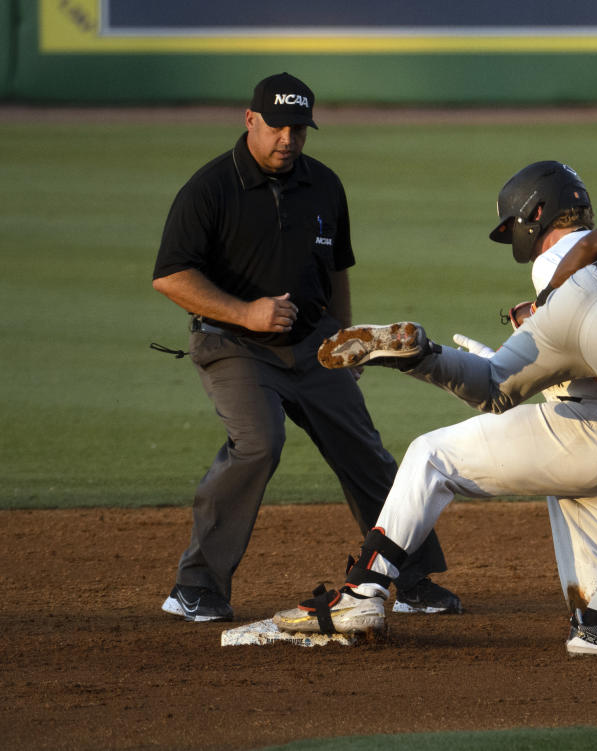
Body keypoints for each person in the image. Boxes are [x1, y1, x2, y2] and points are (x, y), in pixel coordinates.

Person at [273, 158, 597, 654]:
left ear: (534, 215)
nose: (515, 240)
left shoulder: (566, 257)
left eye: (514, 227)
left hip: (586, 432)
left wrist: (542, 321)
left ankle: (364, 589)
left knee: (434, 453)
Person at [151, 72, 460, 622]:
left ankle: (409, 579)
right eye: (277, 127)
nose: (288, 139)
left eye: (299, 129)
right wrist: (247, 312)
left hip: (315, 348)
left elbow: (336, 268)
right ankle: (196, 587)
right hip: (234, 346)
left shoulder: (324, 185)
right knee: (258, 444)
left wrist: (345, 338)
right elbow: (172, 276)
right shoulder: (210, 188)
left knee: (364, 451)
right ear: (250, 120)